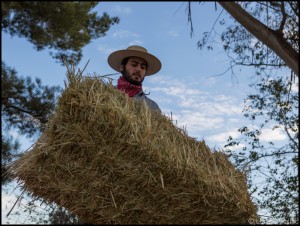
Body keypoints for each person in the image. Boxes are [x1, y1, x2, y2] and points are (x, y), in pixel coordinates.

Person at [107, 45, 162, 113]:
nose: (139, 69)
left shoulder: (152, 107)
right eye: (134, 65)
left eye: (142, 67)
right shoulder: (105, 93)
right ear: (122, 67)